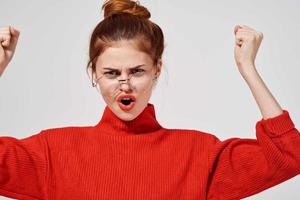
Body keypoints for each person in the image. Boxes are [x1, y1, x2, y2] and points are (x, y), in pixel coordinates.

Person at [0, 0, 299, 199]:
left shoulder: (198, 154)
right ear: (94, 73)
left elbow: (290, 156)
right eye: (112, 72)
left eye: (137, 71)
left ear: (157, 69)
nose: (125, 84)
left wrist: (248, 68)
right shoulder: (54, 152)